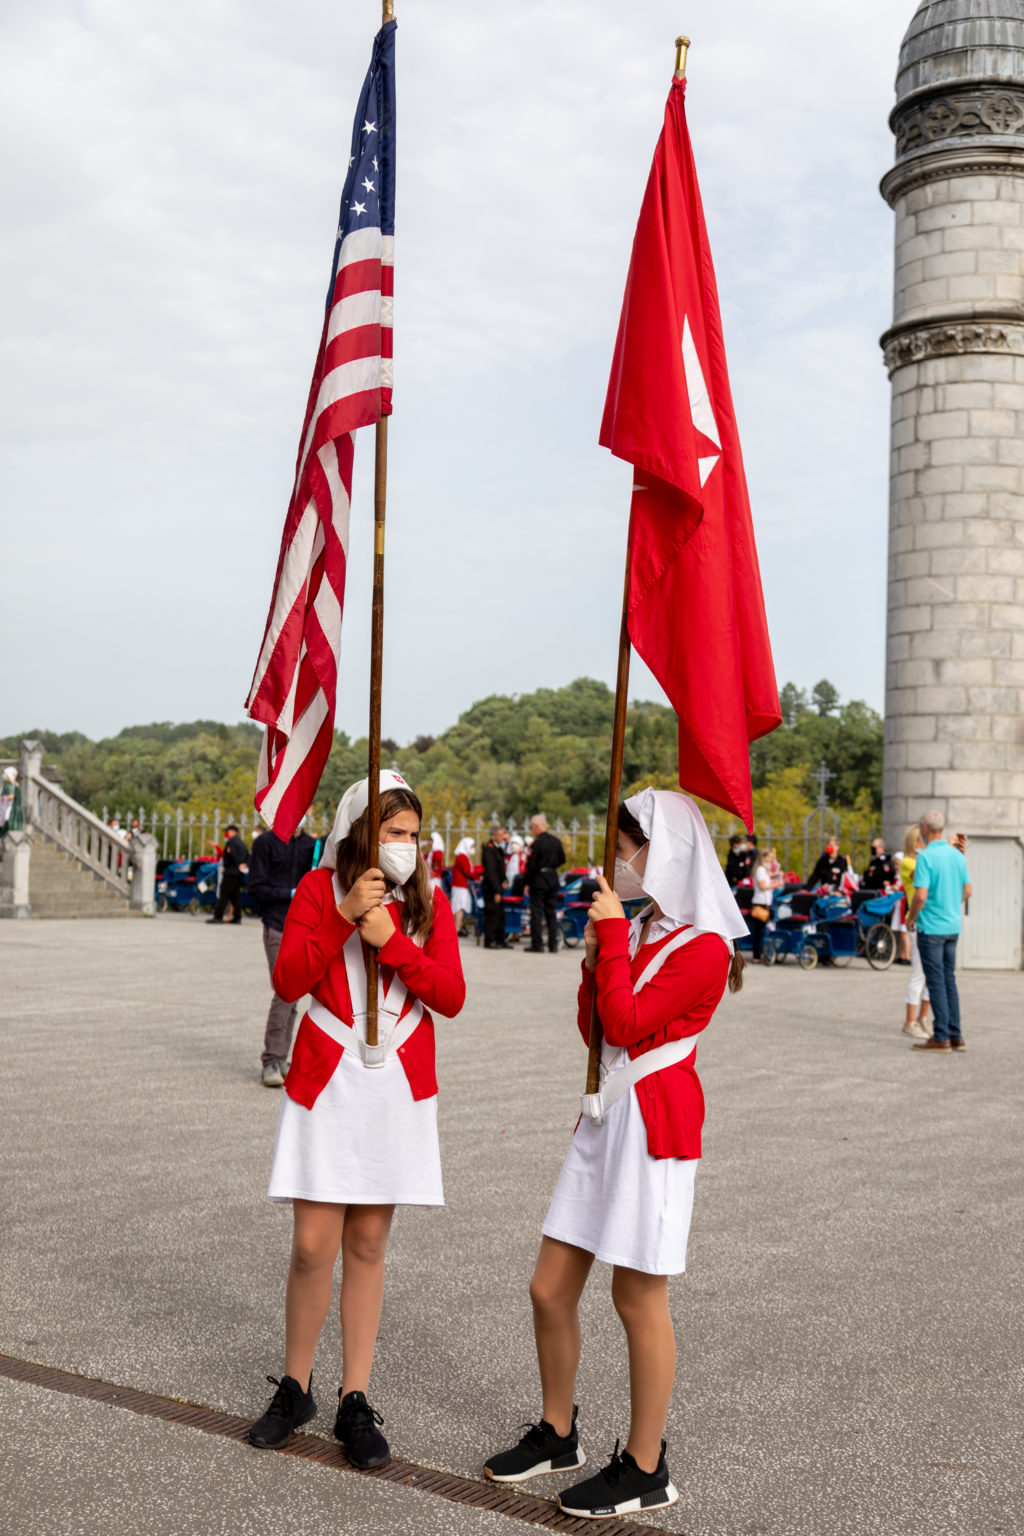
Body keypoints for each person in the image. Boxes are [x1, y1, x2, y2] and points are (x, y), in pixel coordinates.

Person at [483, 790, 747, 1518]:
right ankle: (558, 1431)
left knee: (637, 1296)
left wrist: (614, 947)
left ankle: (645, 1465)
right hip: (606, 1116)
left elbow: (629, 1022)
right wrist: (599, 954)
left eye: (627, 846)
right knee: (549, 1286)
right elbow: (596, 1028)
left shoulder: (704, 947)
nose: (618, 863)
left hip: (653, 1121)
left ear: (662, 855)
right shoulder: (642, 931)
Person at [247, 771, 466, 1467]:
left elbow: (452, 995)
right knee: (314, 1245)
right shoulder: (318, 891)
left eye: (412, 835)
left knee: (368, 1245)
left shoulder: (430, 902)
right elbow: (289, 981)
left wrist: (392, 939)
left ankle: (354, 1397)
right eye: (393, 833)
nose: (405, 846)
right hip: (328, 1076)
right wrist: (344, 914)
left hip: (395, 1083)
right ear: (360, 831)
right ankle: (295, 1385)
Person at [248, 819, 317, 1086]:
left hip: (304, 928)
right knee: (283, 992)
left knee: (294, 994)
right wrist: (290, 893)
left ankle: (283, 1057)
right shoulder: (265, 843)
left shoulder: (313, 846)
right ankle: (271, 1060)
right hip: (277, 925)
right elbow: (256, 888)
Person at [907, 810, 971, 1054]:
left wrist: (912, 917)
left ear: (923, 829)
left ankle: (941, 1036)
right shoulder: (957, 856)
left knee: (935, 982)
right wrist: (949, 903)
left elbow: (920, 895)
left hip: (931, 927)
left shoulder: (925, 857)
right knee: (949, 980)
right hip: (952, 926)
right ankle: (956, 1035)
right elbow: (968, 891)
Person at [898, 825, 931, 1040]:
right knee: (919, 972)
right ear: (916, 842)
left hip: (930, 921)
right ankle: (909, 1021)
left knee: (930, 974)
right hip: (917, 920)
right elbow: (920, 873)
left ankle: (923, 1017)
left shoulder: (924, 858)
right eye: (924, 839)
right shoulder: (908, 862)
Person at [523, 814, 565, 953]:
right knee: (551, 912)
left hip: (539, 879)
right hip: (552, 878)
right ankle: (552, 944)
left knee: (536, 912)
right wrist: (551, 867)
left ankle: (537, 944)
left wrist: (527, 882)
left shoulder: (538, 843)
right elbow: (562, 859)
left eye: (532, 828)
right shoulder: (555, 841)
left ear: (536, 826)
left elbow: (532, 864)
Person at [208, 823, 249, 925]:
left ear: (233, 832)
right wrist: (244, 865)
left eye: (228, 831)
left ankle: (218, 916)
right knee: (235, 896)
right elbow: (248, 855)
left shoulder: (231, 842)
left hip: (230, 872)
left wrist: (238, 864)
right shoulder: (242, 843)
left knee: (224, 894)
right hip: (239, 874)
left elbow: (231, 855)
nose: (226, 834)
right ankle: (237, 917)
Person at [481, 825, 509, 949]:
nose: (503, 837)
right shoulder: (489, 850)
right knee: (492, 914)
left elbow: (501, 870)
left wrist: (505, 880)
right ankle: (490, 940)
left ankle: (500, 939)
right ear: (493, 836)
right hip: (491, 889)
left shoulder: (498, 849)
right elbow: (491, 873)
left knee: (500, 915)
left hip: (498, 887)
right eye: (500, 834)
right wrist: (496, 891)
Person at [748, 849, 774, 962]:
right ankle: (756, 955)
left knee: (762, 930)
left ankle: (760, 953)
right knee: (759, 930)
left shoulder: (764, 870)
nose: (772, 860)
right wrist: (775, 885)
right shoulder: (760, 870)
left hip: (765, 903)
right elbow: (763, 886)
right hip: (760, 903)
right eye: (770, 857)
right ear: (764, 858)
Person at [450, 837, 476, 933]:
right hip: (460, 885)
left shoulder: (464, 856)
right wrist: (477, 877)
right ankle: (457, 928)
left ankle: (458, 926)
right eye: (472, 846)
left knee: (461, 906)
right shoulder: (462, 856)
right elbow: (467, 871)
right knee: (459, 906)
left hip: (461, 885)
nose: (473, 848)